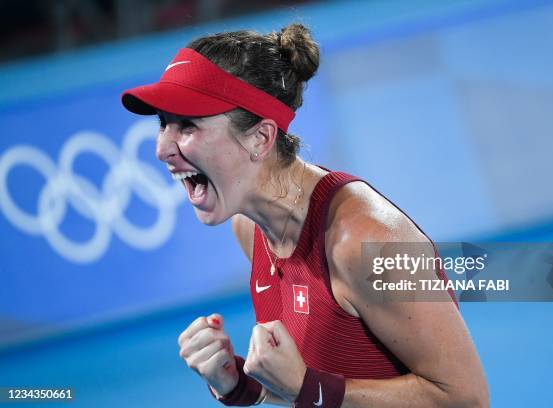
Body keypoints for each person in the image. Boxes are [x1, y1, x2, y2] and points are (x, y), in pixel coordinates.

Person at [121, 23, 488, 407]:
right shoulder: (249, 227)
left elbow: (466, 399)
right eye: (164, 123)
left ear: (260, 139)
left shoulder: (363, 241)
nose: (162, 148)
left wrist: (306, 387)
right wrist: (238, 384)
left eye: (188, 126)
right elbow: (309, 385)